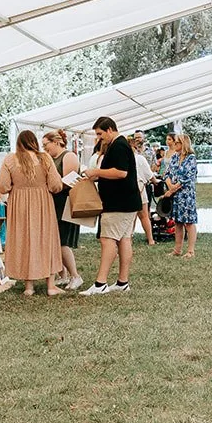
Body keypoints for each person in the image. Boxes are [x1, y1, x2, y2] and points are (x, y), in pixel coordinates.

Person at [0, 130, 65, 296]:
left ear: (18, 143)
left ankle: (28, 286)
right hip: (42, 202)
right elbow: (55, 185)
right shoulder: (45, 158)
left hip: (19, 204)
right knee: (47, 238)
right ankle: (51, 286)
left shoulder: (10, 159)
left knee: (24, 239)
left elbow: (2, 186)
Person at [82, 116, 141, 294]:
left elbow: (121, 172)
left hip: (118, 204)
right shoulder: (120, 145)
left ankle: (100, 284)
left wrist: (96, 171)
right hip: (127, 202)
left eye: (100, 133)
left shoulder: (119, 146)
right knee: (124, 240)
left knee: (107, 240)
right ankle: (122, 282)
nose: (99, 137)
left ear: (109, 129)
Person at [42, 129, 84, 291]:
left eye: (46, 145)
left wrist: (50, 185)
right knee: (55, 241)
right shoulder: (50, 158)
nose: (45, 149)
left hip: (65, 203)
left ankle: (75, 276)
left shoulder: (69, 156)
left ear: (56, 142)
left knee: (61, 242)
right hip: (53, 204)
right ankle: (63, 275)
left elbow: (67, 181)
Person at [166, 134, 200, 257]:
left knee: (189, 222)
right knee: (178, 222)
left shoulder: (191, 158)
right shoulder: (174, 157)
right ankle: (177, 249)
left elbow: (188, 177)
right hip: (176, 195)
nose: (174, 145)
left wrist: (172, 189)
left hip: (186, 195)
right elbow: (168, 173)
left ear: (183, 143)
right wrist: (169, 185)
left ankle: (191, 250)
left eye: (176, 143)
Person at [130, 132, 157, 246]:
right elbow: (150, 175)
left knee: (131, 217)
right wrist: (156, 182)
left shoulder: (123, 159)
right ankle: (150, 239)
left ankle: (129, 239)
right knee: (144, 216)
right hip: (140, 189)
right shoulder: (140, 158)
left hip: (128, 191)